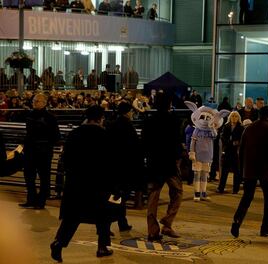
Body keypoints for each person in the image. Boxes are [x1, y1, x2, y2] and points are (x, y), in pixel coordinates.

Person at [50, 105, 114, 262]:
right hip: (98, 183)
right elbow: (110, 162)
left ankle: (59, 242)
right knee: (103, 216)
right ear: (100, 118)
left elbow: (66, 159)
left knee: (72, 217)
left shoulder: (74, 134)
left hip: (76, 182)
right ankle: (102, 246)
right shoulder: (104, 135)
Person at [231, 106, 268, 238]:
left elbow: (241, 150)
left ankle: (236, 222)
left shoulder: (248, 129)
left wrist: (241, 169)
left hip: (249, 168)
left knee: (247, 197)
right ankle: (265, 228)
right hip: (266, 169)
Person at [142, 92, 183, 242]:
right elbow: (177, 141)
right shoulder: (174, 120)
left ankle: (152, 231)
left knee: (153, 197)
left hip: (154, 163)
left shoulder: (149, 121)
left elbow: (144, 144)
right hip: (170, 163)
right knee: (177, 193)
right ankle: (167, 221)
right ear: (169, 104)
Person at [20, 94, 60, 209]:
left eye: (37, 101)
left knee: (44, 177)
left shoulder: (51, 118)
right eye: (34, 100)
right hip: (31, 150)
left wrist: (45, 143)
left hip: (44, 151)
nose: (34, 102)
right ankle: (31, 199)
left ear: (44, 103)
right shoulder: (30, 115)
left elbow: (56, 136)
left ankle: (41, 201)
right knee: (29, 176)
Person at [106, 102, 141, 232]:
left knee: (116, 195)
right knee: (120, 196)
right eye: (131, 112)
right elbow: (134, 146)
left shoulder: (112, 124)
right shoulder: (128, 126)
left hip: (113, 165)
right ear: (127, 112)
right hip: (125, 166)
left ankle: (121, 221)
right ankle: (111, 222)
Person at [216, 111, 244, 194]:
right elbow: (222, 137)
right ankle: (221, 188)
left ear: (238, 118)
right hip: (227, 150)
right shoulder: (226, 126)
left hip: (236, 152)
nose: (234, 117)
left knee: (236, 172)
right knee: (224, 171)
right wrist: (231, 142)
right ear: (230, 117)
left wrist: (236, 143)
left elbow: (241, 139)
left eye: (236, 116)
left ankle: (235, 189)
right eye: (232, 116)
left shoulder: (241, 127)